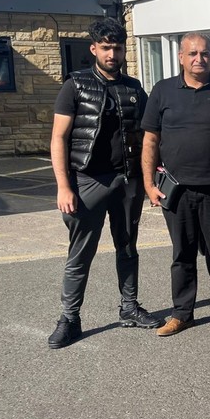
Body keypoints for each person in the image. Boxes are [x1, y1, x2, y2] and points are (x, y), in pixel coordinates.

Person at [48, 18, 163, 349]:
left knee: (127, 247)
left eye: (118, 47)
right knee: (80, 253)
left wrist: (150, 177)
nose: (113, 53)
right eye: (107, 47)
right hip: (87, 181)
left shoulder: (133, 88)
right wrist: (63, 186)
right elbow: (58, 138)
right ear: (94, 48)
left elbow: (148, 135)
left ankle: (129, 308)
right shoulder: (76, 85)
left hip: (127, 182)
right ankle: (69, 319)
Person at [141, 32, 210, 337]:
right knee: (182, 255)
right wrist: (148, 184)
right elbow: (150, 140)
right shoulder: (163, 91)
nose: (198, 59)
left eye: (204, 54)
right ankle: (181, 313)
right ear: (181, 57)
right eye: (192, 53)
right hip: (176, 190)